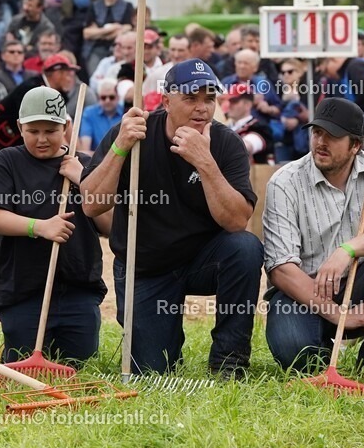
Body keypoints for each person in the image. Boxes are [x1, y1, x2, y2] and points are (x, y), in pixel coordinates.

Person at [80, 59, 263, 377]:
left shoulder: (224, 143)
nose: (202, 108)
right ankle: (165, 343)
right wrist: (120, 147)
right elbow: (92, 205)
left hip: (203, 260)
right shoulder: (133, 133)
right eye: (191, 98)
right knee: (150, 369)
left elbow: (237, 222)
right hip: (144, 265)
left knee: (245, 248)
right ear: (166, 101)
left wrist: (205, 162)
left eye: (209, 98)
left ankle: (228, 361)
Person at [263, 97, 364, 373]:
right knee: (297, 357)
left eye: (332, 136)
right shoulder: (284, 181)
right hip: (304, 293)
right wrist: (340, 314)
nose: (321, 142)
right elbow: (280, 269)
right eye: (317, 132)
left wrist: (346, 251)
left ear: (355, 145)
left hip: (361, 282)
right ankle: (320, 347)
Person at [0, 86, 110, 364]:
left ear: (66, 127)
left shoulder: (86, 164)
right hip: (23, 291)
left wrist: (83, 180)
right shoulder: (8, 161)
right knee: (20, 362)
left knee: (79, 364)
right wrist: (39, 227)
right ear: (19, 127)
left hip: (79, 289)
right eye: (32, 131)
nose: (41, 139)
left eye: (50, 131)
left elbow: (110, 226)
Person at [222, 83, 272, 164]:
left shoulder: (260, 127)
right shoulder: (225, 127)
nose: (229, 105)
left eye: (234, 101)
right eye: (229, 101)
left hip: (255, 175)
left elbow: (246, 146)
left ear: (247, 105)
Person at [78, 77, 121, 151]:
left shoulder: (126, 112)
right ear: (98, 98)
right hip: (96, 160)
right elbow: (85, 149)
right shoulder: (89, 113)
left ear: (118, 97)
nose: (107, 101)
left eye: (111, 97)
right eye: (103, 97)